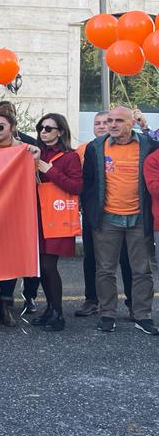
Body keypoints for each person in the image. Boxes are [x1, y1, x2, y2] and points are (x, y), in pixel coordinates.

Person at [83, 106, 157, 335]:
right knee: (105, 270)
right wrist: (91, 211)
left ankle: (143, 315)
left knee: (142, 270)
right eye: (110, 120)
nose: (112, 125)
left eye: (118, 121)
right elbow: (88, 182)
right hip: (107, 218)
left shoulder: (148, 145)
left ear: (131, 123)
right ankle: (107, 314)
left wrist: (147, 127)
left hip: (139, 218)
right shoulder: (96, 147)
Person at [0, 109, 40, 327]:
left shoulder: (24, 149)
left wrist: (35, 158)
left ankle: (6, 301)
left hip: (15, 209)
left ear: (12, 128)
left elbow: (34, 179)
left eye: (1, 127)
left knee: (11, 256)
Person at [77, 111, 132, 317]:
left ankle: (133, 303)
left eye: (106, 122)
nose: (102, 126)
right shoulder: (87, 149)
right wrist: (84, 204)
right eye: (97, 123)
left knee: (126, 259)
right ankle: (92, 299)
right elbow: (83, 180)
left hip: (123, 212)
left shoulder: (128, 147)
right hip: (94, 212)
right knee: (91, 258)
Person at [30, 113, 83, 332]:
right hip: (39, 216)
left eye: (48, 128)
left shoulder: (69, 156)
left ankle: (58, 313)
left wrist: (49, 171)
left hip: (58, 217)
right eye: (40, 128)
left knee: (49, 266)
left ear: (60, 132)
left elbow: (76, 186)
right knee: (41, 268)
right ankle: (51, 308)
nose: (43, 132)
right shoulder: (36, 152)